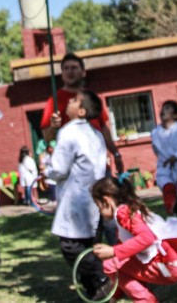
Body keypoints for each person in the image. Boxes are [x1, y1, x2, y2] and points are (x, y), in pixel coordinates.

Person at [43, 89, 111, 300]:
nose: (68, 102)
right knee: (90, 243)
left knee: (71, 246)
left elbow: (60, 168)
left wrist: (48, 170)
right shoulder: (96, 134)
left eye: (73, 100)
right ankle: (94, 290)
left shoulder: (69, 131)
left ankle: (102, 279)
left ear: (81, 111)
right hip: (93, 196)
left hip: (76, 198)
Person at [90, 176, 177, 303]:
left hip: (168, 267)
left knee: (109, 264)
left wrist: (113, 251)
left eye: (98, 206)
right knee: (116, 262)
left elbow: (147, 238)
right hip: (176, 264)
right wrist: (115, 296)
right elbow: (122, 265)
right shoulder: (132, 209)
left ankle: (146, 300)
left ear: (106, 201)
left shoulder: (123, 213)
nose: (99, 211)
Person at [41, 53, 124, 174]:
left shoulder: (91, 98)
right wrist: (53, 127)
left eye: (74, 68)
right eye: (66, 68)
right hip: (72, 170)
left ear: (83, 72)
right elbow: (47, 137)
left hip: (98, 164)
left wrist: (115, 153)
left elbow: (104, 129)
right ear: (62, 74)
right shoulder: (54, 100)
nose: (70, 71)